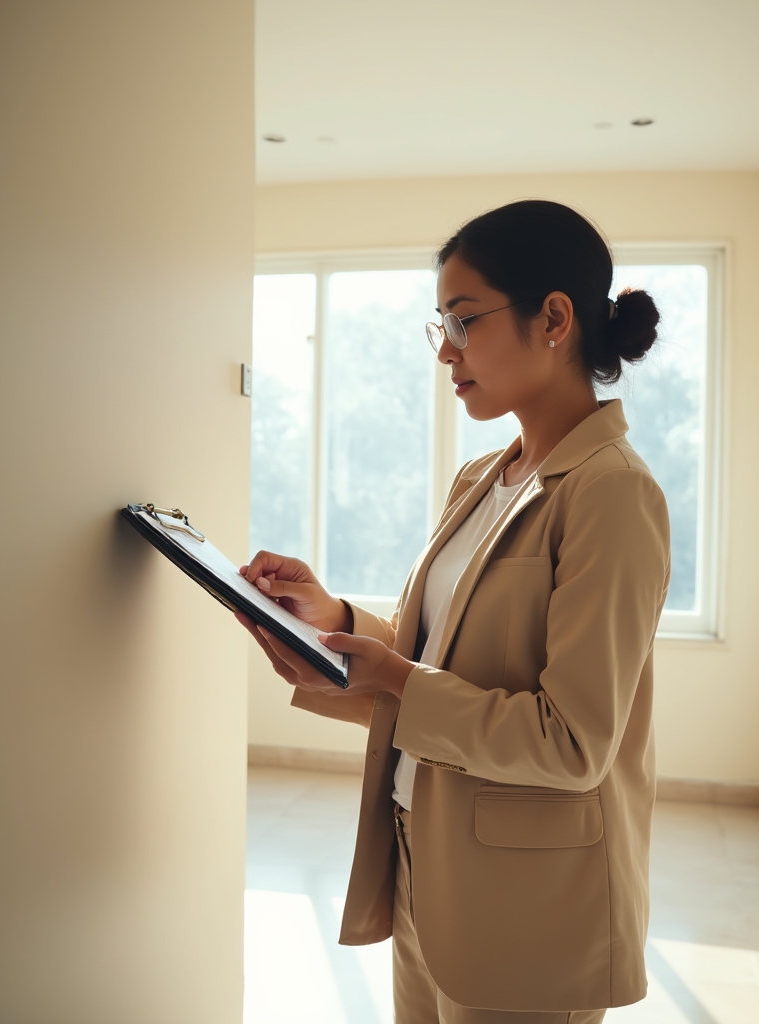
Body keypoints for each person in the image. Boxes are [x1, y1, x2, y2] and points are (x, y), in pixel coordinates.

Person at [237, 199, 671, 1024]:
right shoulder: (482, 478)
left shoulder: (614, 493)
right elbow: (438, 657)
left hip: (529, 911)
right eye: (438, 323)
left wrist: (394, 677)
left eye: (465, 320)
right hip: (424, 868)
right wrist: (328, 618)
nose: (445, 350)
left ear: (553, 318)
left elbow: (572, 742)